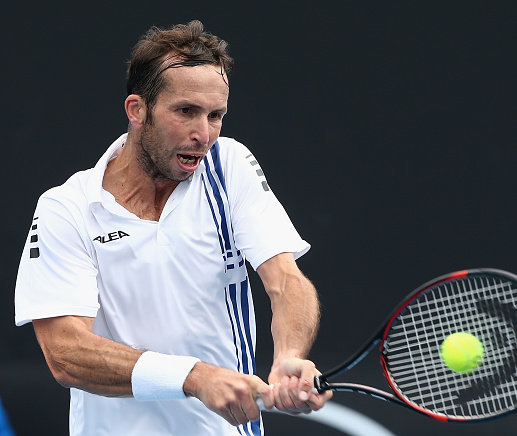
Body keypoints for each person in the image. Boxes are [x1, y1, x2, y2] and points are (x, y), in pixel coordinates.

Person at [14, 20, 331, 435]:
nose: (204, 134)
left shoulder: (227, 166)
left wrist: (289, 355)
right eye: (186, 111)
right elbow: (65, 352)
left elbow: (286, 280)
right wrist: (194, 378)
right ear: (137, 110)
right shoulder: (66, 208)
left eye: (216, 115)